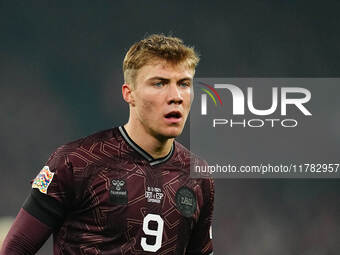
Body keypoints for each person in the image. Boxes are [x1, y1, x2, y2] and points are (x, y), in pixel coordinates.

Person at [1, 34, 214, 255]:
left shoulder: (197, 177)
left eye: (184, 84)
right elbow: (15, 248)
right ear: (129, 94)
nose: (176, 96)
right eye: (159, 83)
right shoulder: (76, 162)